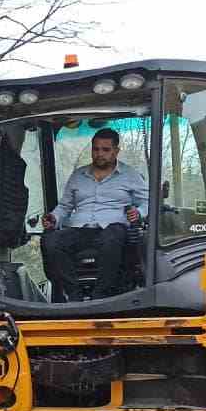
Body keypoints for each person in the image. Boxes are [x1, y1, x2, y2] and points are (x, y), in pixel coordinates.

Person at [41, 128, 147, 301]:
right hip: (80, 229)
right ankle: (73, 294)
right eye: (96, 149)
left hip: (114, 229)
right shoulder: (78, 176)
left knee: (113, 236)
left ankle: (102, 294)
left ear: (116, 151)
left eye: (105, 150)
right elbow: (65, 206)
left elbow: (147, 202)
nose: (100, 154)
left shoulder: (130, 175)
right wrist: (54, 218)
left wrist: (139, 212)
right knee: (50, 241)